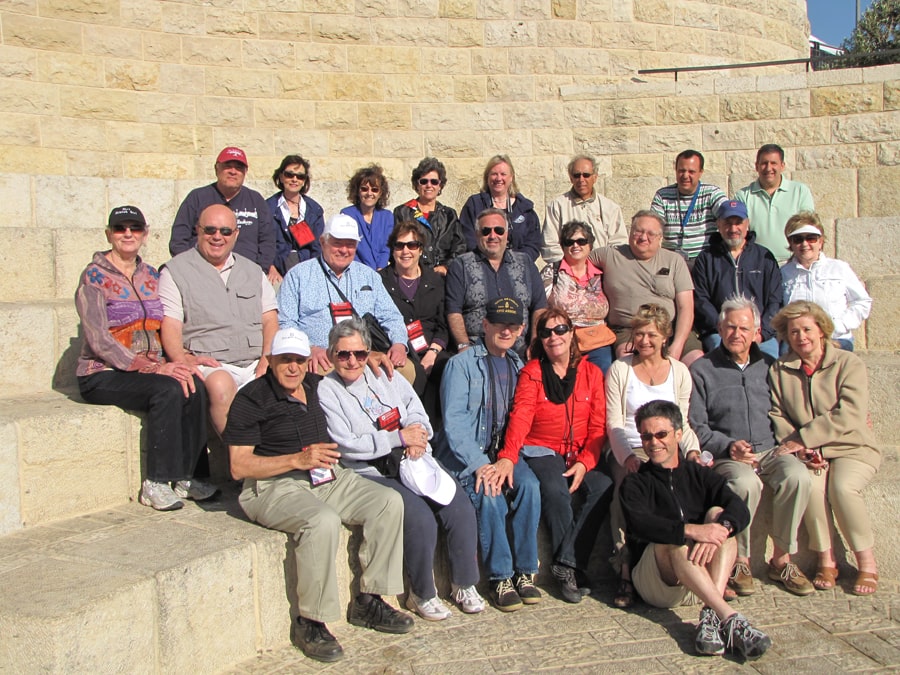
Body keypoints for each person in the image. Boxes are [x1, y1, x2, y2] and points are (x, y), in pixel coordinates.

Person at [224, 327, 412, 663]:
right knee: (322, 521)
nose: (293, 367)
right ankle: (310, 621)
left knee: (387, 501)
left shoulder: (314, 385)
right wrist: (296, 460)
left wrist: (374, 356)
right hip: (273, 484)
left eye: (299, 360)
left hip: (324, 475)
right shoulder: (251, 398)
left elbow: (348, 362)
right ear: (270, 360)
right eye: (285, 360)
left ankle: (369, 602)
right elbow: (239, 466)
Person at [317, 319, 485, 620]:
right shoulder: (327, 390)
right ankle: (421, 593)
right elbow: (347, 444)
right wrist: (397, 438)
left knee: (458, 505)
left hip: (412, 454)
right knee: (419, 516)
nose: (352, 361)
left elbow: (414, 407)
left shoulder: (383, 374)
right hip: (372, 468)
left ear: (368, 353)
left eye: (359, 353)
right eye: (343, 354)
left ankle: (465, 583)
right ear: (331, 355)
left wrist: (417, 434)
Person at [75, 205, 215, 511]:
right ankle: (156, 481)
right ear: (109, 234)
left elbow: (167, 325)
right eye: (120, 228)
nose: (128, 234)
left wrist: (184, 358)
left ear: (145, 234)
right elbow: (98, 339)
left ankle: (190, 476)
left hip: (149, 367)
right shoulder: (93, 277)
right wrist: (151, 367)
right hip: (102, 372)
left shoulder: (152, 275)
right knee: (166, 390)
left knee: (195, 384)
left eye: (134, 228)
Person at [620, 400, 770, 661]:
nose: (653, 442)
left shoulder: (699, 474)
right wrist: (692, 531)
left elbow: (738, 508)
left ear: (678, 434)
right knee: (676, 542)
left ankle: (710, 615)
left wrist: (718, 528)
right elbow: (639, 524)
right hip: (658, 582)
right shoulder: (636, 482)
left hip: (699, 582)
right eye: (646, 436)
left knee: (720, 518)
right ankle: (730, 618)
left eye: (661, 434)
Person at [689, 296, 813, 598]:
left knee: (797, 477)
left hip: (771, 449)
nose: (737, 334)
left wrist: (799, 443)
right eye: (730, 327)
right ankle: (740, 562)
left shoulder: (770, 367)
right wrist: (729, 446)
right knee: (745, 484)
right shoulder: (703, 370)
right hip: (728, 454)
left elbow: (789, 411)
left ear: (756, 332)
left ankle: (782, 559)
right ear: (720, 327)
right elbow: (697, 426)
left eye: (744, 328)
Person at [436, 297, 543, 612]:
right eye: (499, 323)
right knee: (490, 491)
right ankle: (500, 576)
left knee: (530, 487)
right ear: (485, 325)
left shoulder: (518, 366)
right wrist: (481, 465)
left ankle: (525, 571)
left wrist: (506, 459)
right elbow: (454, 425)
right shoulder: (461, 365)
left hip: (504, 454)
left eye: (512, 325)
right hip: (468, 455)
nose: (505, 330)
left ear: (521, 329)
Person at [769, 300, 882, 596]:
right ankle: (825, 559)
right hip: (810, 452)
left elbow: (850, 414)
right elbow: (778, 414)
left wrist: (806, 438)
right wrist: (801, 449)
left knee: (842, 488)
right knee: (812, 486)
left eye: (807, 329)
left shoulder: (848, 364)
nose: (801, 337)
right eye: (793, 332)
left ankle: (866, 562)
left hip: (852, 448)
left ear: (821, 330)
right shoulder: (781, 370)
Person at [499, 309, 612, 603]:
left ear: (572, 333)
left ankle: (566, 562)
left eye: (560, 329)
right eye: (547, 332)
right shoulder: (533, 373)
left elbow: (598, 425)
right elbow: (521, 416)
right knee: (555, 490)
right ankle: (571, 574)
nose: (554, 337)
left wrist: (586, 463)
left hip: (580, 451)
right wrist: (508, 456)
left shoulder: (591, 373)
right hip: (542, 447)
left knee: (603, 487)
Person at [604, 304, 701, 608]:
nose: (644, 340)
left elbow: (681, 423)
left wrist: (693, 450)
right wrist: (627, 458)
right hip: (629, 445)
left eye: (651, 334)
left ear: (664, 337)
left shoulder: (679, 372)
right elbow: (614, 422)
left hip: (668, 447)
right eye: (639, 334)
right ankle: (625, 568)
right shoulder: (621, 369)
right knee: (625, 489)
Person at [159, 204, 279, 437]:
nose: (217, 237)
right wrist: (181, 358)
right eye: (210, 230)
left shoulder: (253, 271)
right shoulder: (175, 271)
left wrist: (268, 359)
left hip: (256, 361)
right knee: (222, 386)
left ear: (236, 235)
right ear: (198, 230)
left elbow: (270, 320)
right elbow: (171, 324)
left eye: (225, 231)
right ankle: (241, 461)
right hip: (213, 363)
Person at [277, 213, 419, 387]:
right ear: (323, 242)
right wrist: (308, 348)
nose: (344, 250)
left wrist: (399, 344)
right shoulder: (298, 276)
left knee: (406, 370)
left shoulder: (369, 275)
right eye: (337, 243)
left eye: (350, 245)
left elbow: (391, 316)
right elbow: (286, 322)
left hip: (365, 354)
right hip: (324, 358)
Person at [588, 210, 702, 363]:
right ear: (630, 232)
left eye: (650, 234)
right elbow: (576, 260)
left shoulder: (674, 261)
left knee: (696, 361)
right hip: (629, 330)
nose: (643, 238)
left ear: (660, 238)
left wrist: (677, 345)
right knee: (628, 361)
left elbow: (686, 307)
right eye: (638, 232)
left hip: (669, 329)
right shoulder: (609, 255)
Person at [445, 208, 547, 356]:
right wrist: (463, 346)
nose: (493, 236)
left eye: (499, 230)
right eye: (486, 231)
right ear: (476, 234)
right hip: (476, 351)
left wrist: (535, 343)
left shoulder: (526, 263)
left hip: (521, 351)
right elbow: (453, 310)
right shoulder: (460, 265)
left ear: (507, 233)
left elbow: (540, 307)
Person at [169, 146, 277, 281]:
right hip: (200, 275)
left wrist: (258, 272)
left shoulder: (256, 200)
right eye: (228, 166)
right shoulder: (197, 197)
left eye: (238, 168)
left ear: (245, 172)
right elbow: (178, 239)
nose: (233, 171)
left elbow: (268, 241)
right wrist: (190, 270)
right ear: (216, 169)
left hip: (246, 277)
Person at [691, 200, 783, 359]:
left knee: (771, 366)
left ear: (747, 224)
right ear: (718, 225)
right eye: (727, 223)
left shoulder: (765, 258)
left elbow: (775, 300)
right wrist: (723, 328)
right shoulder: (706, 259)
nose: (733, 229)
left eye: (738, 222)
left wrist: (760, 333)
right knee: (720, 367)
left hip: (759, 334)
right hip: (719, 333)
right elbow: (701, 300)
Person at [378, 221, 450, 415]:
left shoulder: (435, 280)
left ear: (420, 249)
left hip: (431, 348)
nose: (405, 251)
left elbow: (443, 325)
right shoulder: (381, 281)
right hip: (397, 349)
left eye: (412, 245)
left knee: (449, 369)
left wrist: (433, 352)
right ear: (392, 250)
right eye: (399, 245)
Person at [780, 211, 872, 351]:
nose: (805, 244)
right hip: (797, 342)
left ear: (821, 241)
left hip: (835, 339)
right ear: (791, 243)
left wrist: (840, 325)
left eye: (811, 238)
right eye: (798, 239)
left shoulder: (838, 268)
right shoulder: (783, 274)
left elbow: (862, 301)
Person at [540, 220, 615, 373]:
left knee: (601, 375)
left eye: (581, 241)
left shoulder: (603, 273)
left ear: (590, 245)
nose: (576, 246)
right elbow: (540, 306)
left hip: (597, 341)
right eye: (569, 242)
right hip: (560, 337)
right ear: (562, 246)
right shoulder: (551, 272)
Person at [735, 144, 815, 264]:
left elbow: (807, 228)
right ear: (756, 166)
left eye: (773, 163)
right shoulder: (743, 196)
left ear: (782, 166)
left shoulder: (800, 191)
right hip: (758, 264)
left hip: (792, 263)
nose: (768, 168)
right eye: (764, 163)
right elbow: (739, 232)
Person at [541, 154, 627, 263]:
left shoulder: (610, 208)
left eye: (586, 175)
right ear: (571, 178)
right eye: (577, 175)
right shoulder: (557, 206)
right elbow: (549, 245)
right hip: (568, 273)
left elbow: (618, 244)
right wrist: (570, 267)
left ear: (595, 177)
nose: (581, 179)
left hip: (602, 271)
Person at [392, 157, 466, 275]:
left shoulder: (449, 215)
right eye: (424, 181)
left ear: (440, 186)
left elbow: (459, 246)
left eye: (434, 181)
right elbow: (395, 246)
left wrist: (446, 267)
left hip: (442, 278)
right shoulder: (402, 212)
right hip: (411, 275)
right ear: (417, 184)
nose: (429, 185)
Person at [459, 155, 542, 261]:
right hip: (481, 266)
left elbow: (533, 244)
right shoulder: (475, 204)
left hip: (518, 268)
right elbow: (467, 238)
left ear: (511, 177)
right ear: (487, 177)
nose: (499, 178)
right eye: (494, 174)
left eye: (503, 174)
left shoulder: (525, 209)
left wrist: (512, 261)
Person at [650, 149, 727, 263]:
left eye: (691, 171)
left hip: (704, 261)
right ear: (675, 170)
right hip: (671, 260)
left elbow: (728, 215)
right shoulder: (662, 195)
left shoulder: (712, 193)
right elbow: (652, 227)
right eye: (681, 170)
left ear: (700, 172)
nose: (685, 176)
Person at [267, 154, 326, 276]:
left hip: (307, 270)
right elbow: (263, 243)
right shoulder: (268, 207)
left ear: (304, 181)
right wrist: (270, 267)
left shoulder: (314, 210)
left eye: (300, 176)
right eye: (289, 175)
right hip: (276, 272)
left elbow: (318, 247)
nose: (294, 179)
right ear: (281, 177)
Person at [341, 164, 393, 270]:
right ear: (357, 191)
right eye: (364, 189)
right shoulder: (347, 215)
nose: (369, 193)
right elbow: (347, 247)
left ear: (380, 193)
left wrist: (380, 268)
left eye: (374, 189)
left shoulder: (387, 217)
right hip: (355, 270)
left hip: (381, 272)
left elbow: (387, 247)